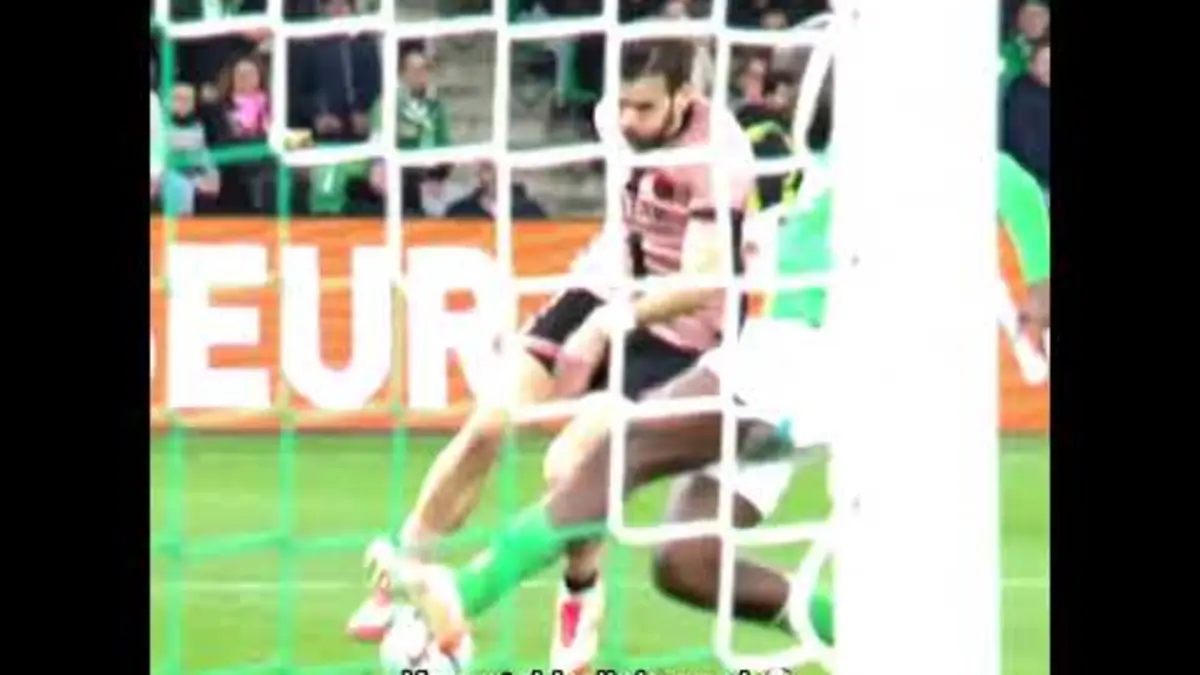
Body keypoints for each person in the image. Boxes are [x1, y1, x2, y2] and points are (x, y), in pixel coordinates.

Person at [364, 41, 1052, 671]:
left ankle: (462, 596)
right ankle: (883, 640)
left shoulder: (919, 153)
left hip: (804, 357)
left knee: (617, 454)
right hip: (795, 367)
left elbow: (1017, 190)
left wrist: (1041, 290)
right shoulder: (833, 156)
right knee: (686, 561)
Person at [346, 37, 758, 673]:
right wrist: (605, 307)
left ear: (685, 96)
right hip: (603, 286)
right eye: (621, 104)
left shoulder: (719, 155)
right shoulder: (610, 118)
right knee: (488, 422)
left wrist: (616, 321)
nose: (627, 119)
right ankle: (406, 572)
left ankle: (580, 597)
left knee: (572, 463)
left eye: (645, 108)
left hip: (682, 331)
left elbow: (705, 280)